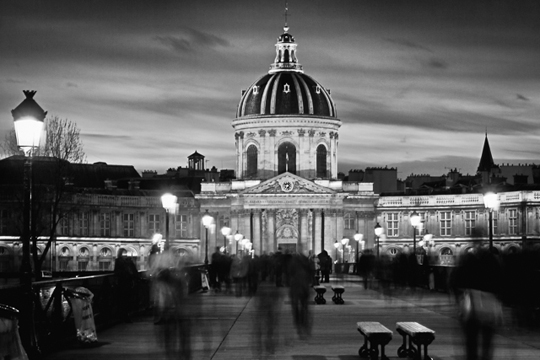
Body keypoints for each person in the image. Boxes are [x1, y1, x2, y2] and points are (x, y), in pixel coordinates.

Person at [451, 245, 503, 360]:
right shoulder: (492, 261)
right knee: (487, 340)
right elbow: (501, 282)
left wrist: (458, 299)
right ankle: (485, 356)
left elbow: (456, 280)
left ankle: (473, 357)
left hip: (472, 305)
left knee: (471, 339)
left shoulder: (468, 261)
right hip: (489, 305)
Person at [114, 248, 139, 322]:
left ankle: (123, 315)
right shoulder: (125, 262)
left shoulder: (121, 261)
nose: (125, 255)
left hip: (124, 282)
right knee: (125, 300)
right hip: (125, 282)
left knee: (124, 300)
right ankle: (124, 315)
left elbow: (117, 272)